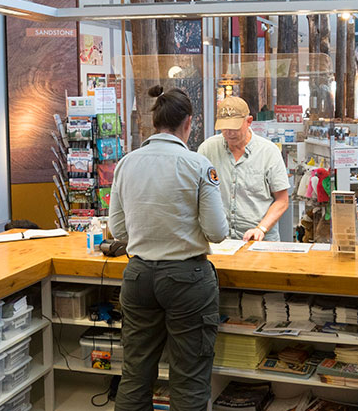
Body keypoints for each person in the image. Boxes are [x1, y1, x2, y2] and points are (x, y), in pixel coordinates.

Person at [109, 85, 229, 411]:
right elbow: (217, 232)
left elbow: (117, 230)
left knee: (135, 371)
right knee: (188, 375)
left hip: (138, 276)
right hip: (188, 278)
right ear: (188, 123)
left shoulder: (126, 163)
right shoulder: (198, 165)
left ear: (154, 122)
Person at [198, 96, 290, 242]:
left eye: (234, 127)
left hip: (259, 240)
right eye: (224, 128)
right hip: (220, 240)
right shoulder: (207, 149)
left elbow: (282, 200)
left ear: (249, 122)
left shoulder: (268, 152)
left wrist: (261, 228)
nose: (229, 133)